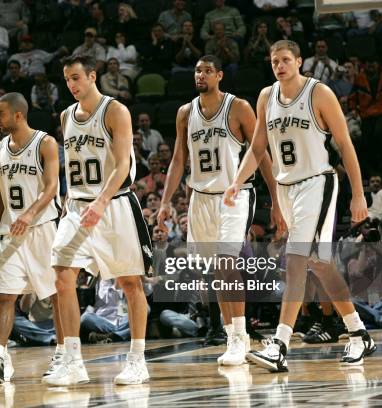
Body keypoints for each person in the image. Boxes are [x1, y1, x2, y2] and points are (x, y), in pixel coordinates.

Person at [224, 40, 376, 372]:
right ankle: (358, 333)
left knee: (295, 259)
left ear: (299, 61)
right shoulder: (266, 96)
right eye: (274, 61)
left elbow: (345, 145)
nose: (279, 65)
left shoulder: (318, 93)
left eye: (285, 60)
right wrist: (237, 181)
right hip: (286, 188)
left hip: (317, 182)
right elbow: (258, 147)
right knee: (320, 264)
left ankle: (278, 345)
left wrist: (359, 194)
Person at [157, 55, 282, 365]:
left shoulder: (238, 107)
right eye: (197, 70)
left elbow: (261, 153)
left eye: (208, 71)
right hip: (200, 195)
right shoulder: (185, 113)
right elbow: (177, 160)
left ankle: (241, 337)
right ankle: (230, 335)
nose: (201, 75)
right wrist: (165, 201)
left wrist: (277, 200)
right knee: (214, 272)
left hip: (234, 193)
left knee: (228, 263)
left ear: (220, 75)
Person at [45, 55, 152, 386]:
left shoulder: (115, 110)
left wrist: (102, 201)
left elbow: (122, 164)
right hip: (77, 207)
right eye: (67, 80)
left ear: (93, 76)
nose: (72, 85)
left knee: (130, 283)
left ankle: (137, 360)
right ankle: (73, 360)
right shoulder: (65, 116)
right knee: (62, 275)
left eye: (77, 78)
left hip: (114, 205)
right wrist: (69, 198)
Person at [0, 92, 62, 382]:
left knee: (56, 296)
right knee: (6, 295)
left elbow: (51, 188)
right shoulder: (1, 148)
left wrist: (29, 213)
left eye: (1, 113)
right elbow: (2, 196)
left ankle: (64, 354)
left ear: (18, 114)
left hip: (42, 229)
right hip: (11, 232)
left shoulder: (45, 143)